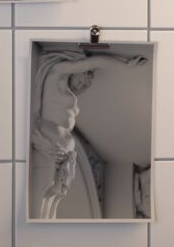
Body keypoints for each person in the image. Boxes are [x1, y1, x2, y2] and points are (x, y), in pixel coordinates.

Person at [30, 48, 148, 219]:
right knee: (41, 201)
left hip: (62, 155)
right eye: (84, 78)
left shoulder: (65, 91)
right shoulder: (56, 73)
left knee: (51, 206)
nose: (82, 86)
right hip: (50, 148)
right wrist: (126, 65)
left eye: (86, 85)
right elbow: (97, 62)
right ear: (77, 69)